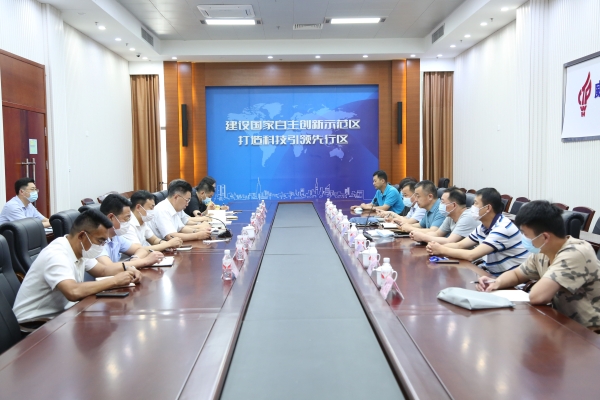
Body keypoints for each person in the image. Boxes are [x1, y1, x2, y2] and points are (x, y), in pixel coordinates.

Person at [477, 201, 600, 331]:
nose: (523, 238)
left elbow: (538, 296)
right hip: (563, 323)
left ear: (545, 237)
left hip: (591, 332)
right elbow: (516, 274)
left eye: (525, 234)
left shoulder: (576, 253)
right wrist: (496, 282)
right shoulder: (543, 251)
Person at [12, 209, 142, 323]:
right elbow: (73, 292)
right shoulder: (56, 254)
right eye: (100, 241)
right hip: (34, 323)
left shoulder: (80, 249)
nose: (102, 246)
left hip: (60, 316)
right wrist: (115, 281)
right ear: (82, 236)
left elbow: (103, 270)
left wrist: (128, 269)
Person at [427, 187, 529, 276]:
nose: (472, 207)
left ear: (488, 208)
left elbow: (471, 255)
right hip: (492, 275)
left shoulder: (502, 228)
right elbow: (459, 245)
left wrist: (441, 250)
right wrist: (434, 247)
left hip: (513, 283)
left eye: (475, 203)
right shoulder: (483, 227)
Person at [96, 194, 165, 269]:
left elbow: (140, 249)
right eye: (126, 218)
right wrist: (145, 261)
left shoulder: (116, 237)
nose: (128, 222)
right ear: (111, 217)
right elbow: (108, 267)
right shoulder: (96, 240)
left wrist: (135, 259)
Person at [148, 179, 212, 241]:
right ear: (176, 197)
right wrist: (197, 235)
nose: (187, 204)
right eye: (187, 200)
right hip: (160, 246)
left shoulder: (175, 208)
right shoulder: (162, 209)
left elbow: (181, 228)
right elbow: (171, 236)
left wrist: (198, 230)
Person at [410, 187, 479, 244]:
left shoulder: (467, 217)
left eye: (442, 202)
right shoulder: (450, 215)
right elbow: (437, 234)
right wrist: (418, 234)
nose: (440, 205)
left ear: (453, 205)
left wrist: (423, 237)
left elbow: (449, 241)